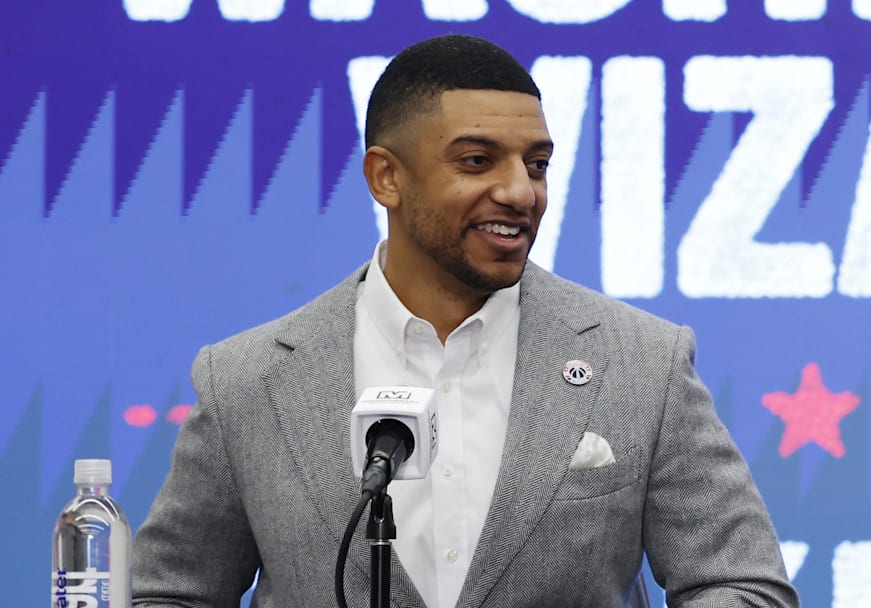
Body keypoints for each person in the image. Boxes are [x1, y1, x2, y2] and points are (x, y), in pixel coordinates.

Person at [132, 34, 798, 608]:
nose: (519, 191)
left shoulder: (642, 363)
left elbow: (742, 585)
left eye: (536, 164)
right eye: (477, 161)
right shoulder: (249, 379)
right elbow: (173, 594)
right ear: (386, 177)